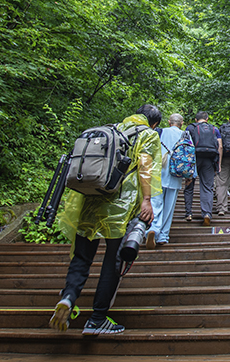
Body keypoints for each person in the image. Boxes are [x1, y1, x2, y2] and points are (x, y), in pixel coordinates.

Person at [49, 104, 161, 335]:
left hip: (91, 200)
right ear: (155, 123)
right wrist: (147, 199)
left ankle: (68, 298)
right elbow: (145, 167)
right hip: (121, 206)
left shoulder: (113, 129)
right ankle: (97, 318)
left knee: (81, 256)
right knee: (113, 261)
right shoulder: (147, 134)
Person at [144, 113, 187, 247]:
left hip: (159, 171)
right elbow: (189, 154)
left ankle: (153, 229)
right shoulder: (185, 135)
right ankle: (163, 235)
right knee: (170, 206)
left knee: (156, 202)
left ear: (169, 122)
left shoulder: (159, 132)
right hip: (176, 172)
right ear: (182, 123)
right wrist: (190, 175)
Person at [186, 110, 222, 226]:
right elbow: (220, 146)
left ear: (196, 120)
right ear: (207, 119)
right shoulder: (214, 129)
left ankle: (188, 213)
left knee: (189, 185)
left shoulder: (190, 128)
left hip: (193, 159)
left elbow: (185, 145)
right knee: (207, 186)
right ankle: (207, 213)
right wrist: (219, 163)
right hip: (209, 159)